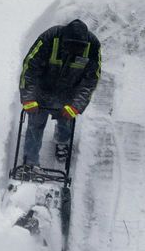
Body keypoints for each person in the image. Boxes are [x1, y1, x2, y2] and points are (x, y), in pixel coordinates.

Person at [19, 18, 101, 165]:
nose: (74, 50)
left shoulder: (93, 45)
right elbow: (29, 68)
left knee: (66, 120)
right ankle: (30, 162)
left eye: (78, 47)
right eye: (70, 46)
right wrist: (29, 98)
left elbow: (90, 80)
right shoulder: (49, 38)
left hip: (69, 92)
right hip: (42, 88)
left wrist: (76, 105)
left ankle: (62, 141)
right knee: (35, 124)